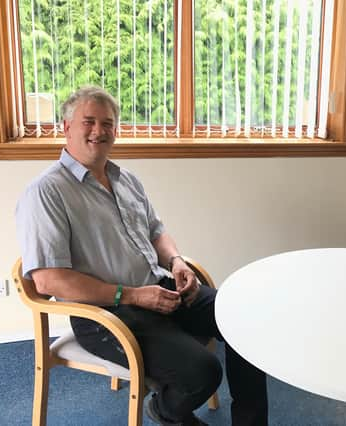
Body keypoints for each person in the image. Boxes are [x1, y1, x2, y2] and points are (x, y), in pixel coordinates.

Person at [16, 86, 268, 426]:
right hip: (108, 313)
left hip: (160, 289)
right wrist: (133, 295)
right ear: (66, 127)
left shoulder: (125, 179)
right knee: (203, 372)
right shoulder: (46, 192)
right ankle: (163, 410)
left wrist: (177, 262)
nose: (99, 130)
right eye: (88, 121)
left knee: (247, 321)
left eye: (108, 123)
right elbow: (48, 279)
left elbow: (156, 233)